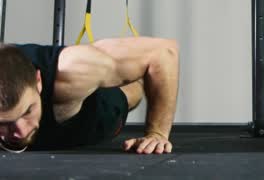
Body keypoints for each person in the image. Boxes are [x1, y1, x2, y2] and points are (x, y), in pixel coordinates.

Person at [0, 36, 179, 154]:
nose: (20, 132)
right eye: (4, 123)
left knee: (130, 92)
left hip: (92, 116)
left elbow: (163, 52)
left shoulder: (71, 70)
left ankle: (128, 82)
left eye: (27, 111)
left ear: (38, 81)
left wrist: (157, 134)